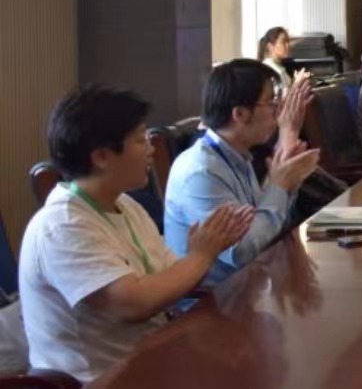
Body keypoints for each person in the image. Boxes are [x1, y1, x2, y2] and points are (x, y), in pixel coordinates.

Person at [19, 86, 252, 382]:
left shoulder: (125, 205)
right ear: (102, 156)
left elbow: (171, 276)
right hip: (101, 379)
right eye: (141, 139)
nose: (151, 148)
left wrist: (205, 251)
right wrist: (202, 255)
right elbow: (131, 305)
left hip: (152, 359)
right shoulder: (62, 224)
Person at [163, 59, 320, 288]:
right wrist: (279, 187)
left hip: (250, 285)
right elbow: (241, 252)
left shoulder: (237, 155)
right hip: (214, 299)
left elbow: (266, 228)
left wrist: (289, 184)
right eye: (271, 103)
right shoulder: (200, 172)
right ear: (239, 113)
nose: (278, 113)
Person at [257, 26, 294, 91]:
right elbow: (281, 96)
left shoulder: (279, 67)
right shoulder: (269, 69)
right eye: (283, 42)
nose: (288, 45)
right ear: (270, 46)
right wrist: (297, 84)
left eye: (288, 41)